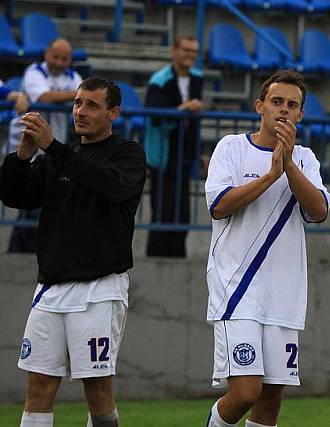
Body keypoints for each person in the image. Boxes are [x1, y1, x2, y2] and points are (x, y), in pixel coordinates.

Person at [0, 77, 146, 427]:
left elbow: (107, 184)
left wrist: (52, 147)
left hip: (99, 288)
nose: (80, 111)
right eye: (78, 103)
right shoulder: (57, 157)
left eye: (91, 105)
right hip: (51, 287)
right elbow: (15, 196)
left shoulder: (128, 155)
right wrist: (22, 157)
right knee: (38, 385)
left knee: (96, 389)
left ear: (114, 113)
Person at [204, 70, 330, 427]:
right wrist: (270, 176)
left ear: (301, 114)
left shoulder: (305, 158)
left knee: (272, 397)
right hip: (237, 289)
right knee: (246, 392)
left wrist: (287, 164)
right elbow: (219, 205)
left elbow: (318, 211)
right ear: (260, 106)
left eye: (292, 105)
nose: (284, 111)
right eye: (277, 102)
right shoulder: (231, 147)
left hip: (284, 294)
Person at [8, 38, 83, 254]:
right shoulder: (34, 71)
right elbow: (44, 97)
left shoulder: (73, 76)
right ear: (46, 54)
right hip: (24, 148)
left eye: (65, 59)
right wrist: (76, 95)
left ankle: (28, 250)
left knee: (39, 203)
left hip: (52, 148)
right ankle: (21, 252)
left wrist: (77, 96)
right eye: (56, 57)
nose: (60, 62)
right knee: (29, 203)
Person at [144, 35, 204, 257]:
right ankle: (156, 261)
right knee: (162, 213)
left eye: (193, 52)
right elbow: (155, 116)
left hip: (184, 156)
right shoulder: (159, 80)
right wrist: (183, 109)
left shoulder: (197, 78)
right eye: (186, 50)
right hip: (163, 155)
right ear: (174, 51)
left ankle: (177, 258)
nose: (190, 56)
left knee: (183, 215)